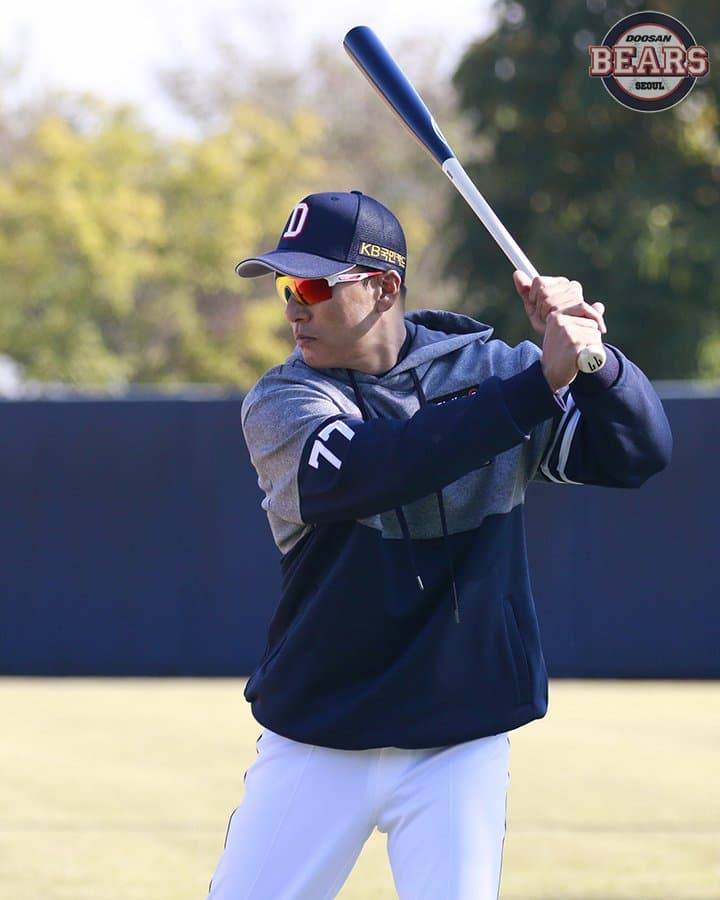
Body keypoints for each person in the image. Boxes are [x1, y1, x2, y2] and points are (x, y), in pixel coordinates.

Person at [207, 190, 672, 899]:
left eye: (311, 284)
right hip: (320, 735)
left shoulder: (494, 371)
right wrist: (537, 384)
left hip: (459, 741)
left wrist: (595, 358)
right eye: (283, 286)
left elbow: (640, 452)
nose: (293, 306)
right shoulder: (283, 400)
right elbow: (378, 469)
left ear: (384, 287)